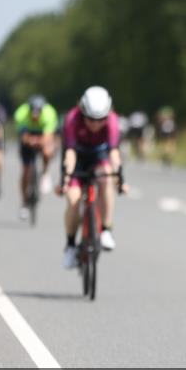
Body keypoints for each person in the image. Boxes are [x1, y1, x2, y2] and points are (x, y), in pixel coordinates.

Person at [57, 86, 126, 269]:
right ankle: (71, 246)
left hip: (99, 156)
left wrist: (119, 176)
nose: (95, 125)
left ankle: (106, 230)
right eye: (91, 119)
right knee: (73, 199)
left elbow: (113, 152)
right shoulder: (72, 119)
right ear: (82, 112)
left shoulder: (112, 121)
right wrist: (65, 180)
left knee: (106, 179)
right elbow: (69, 153)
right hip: (77, 157)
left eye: (100, 119)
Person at [14, 94, 59, 220]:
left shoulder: (49, 114)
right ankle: (24, 203)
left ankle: (45, 172)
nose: (35, 115)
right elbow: (23, 137)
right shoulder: (21, 114)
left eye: (37, 113)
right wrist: (29, 140)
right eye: (33, 113)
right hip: (27, 134)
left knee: (47, 151)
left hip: (43, 133)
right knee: (26, 170)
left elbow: (48, 137)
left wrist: (40, 142)